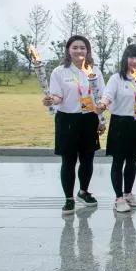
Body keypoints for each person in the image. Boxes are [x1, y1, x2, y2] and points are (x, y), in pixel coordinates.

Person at [43, 35, 105, 214]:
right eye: (75, 47)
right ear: (68, 50)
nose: (79, 51)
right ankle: (69, 199)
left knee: (87, 158)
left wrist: (101, 120)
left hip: (89, 118)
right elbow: (57, 96)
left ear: (88, 50)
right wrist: (51, 100)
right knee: (68, 160)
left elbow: (101, 97)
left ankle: (83, 192)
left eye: (82, 47)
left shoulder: (95, 71)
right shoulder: (59, 71)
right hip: (67, 119)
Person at [98, 44, 136, 213]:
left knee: (132, 161)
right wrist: (102, 105)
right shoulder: (117, 78)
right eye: (131, 57)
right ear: (125, 59)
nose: (135, 61)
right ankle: (118, 198)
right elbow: (107, 96)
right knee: (118, 161)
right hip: (121, 122)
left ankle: (128, 194)